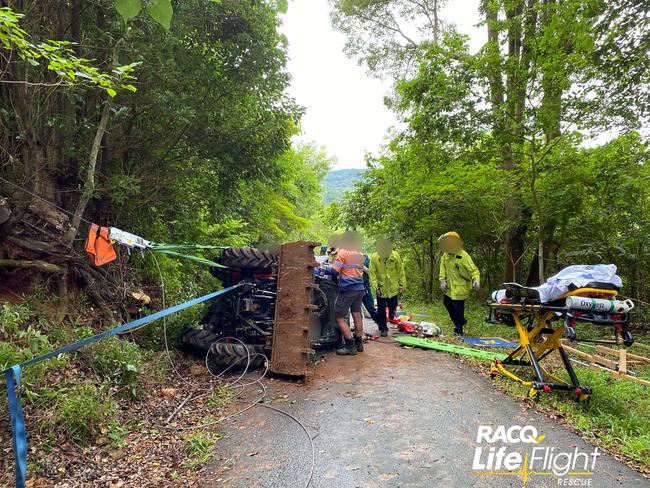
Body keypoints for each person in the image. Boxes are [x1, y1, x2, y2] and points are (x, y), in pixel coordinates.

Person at [321, 231, 366, 355]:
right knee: (356, 315)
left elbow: (334, 271)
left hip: (348, 290)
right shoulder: (360, 254)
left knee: (339, 317)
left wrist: (321, 266)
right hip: (359, 289)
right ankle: (359, 344)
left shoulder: (343, 252)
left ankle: (350, 346)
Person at [438, 231, 480, 336]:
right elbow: (442, 268)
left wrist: (476, 279)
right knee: (446, 302)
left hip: (461, 286)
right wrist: (442, 280)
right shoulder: (445, 255)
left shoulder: (464, 255)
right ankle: (460, 320)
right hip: (450, 287)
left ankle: (458, 329)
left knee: (458, 306)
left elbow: (473, 270)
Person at [369, 239, 406, 337]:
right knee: (381, 309)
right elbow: (372, 274)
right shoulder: (374, 257)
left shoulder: (395, 255)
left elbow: (400, 271)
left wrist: (402, 285)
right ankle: (383, 328)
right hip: (381, 288)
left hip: (393, 287)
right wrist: (376, 287)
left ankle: (391, 314)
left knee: (393, 305)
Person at [362, 253, 379, 323]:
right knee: (355, 310)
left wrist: (363, 267)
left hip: (364, 287)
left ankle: (381, 324)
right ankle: (357, 328)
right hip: (352, 287)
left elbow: (371, 272)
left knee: (370, 307)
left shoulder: (366, 259)